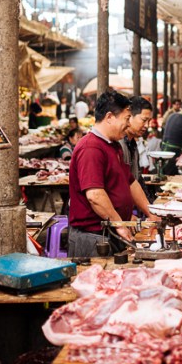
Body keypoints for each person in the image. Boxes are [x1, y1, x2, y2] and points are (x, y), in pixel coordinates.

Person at [67, 89, 157, 257]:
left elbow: (130, 182)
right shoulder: (91, 148)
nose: (129, 124)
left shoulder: (113, 145)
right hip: (93, 237)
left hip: (110, 231)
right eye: (126, 118)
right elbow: (95, 195)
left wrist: (151, 213)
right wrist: (120, 224)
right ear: (109, 117)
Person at [121, 97, 153, 202]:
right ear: (129, 116)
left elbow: (137, 178)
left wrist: (150, 207)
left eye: (149, 121)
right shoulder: (118, 144)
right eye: (144, 120)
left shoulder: (133, 144)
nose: (147, 126)